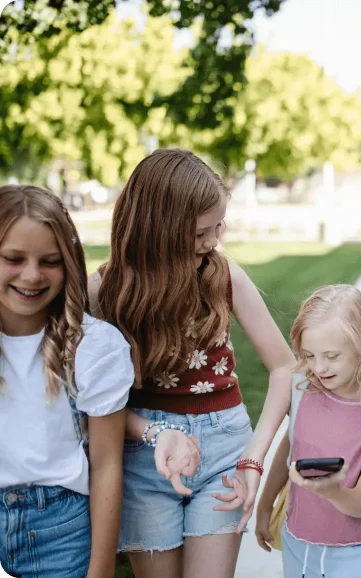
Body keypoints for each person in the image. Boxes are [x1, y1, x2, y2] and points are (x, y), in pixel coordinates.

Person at [89, 148, 297, 578]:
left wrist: (253, 458)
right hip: (145, 455)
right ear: (157, 229)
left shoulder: (224, 276)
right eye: (201, 232)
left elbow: (285, 368)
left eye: (218, 226)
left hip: (224, 450)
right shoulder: (103, 292)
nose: (213, 241)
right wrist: (157, 432)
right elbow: (90, 400)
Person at [0, 185, 134, 577]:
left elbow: (107, 463)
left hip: (60, 530)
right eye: (13, 258)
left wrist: (101, 568)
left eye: (50, 261)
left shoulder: (92, 347)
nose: (31, 275)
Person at [256, 285, 361, 577]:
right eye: (310, 355)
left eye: (332, 356)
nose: (319, 367)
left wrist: (331, 490)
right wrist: (265, 504)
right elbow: (290, 450)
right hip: (298, 542)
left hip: (359, 552)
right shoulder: (304, 390)